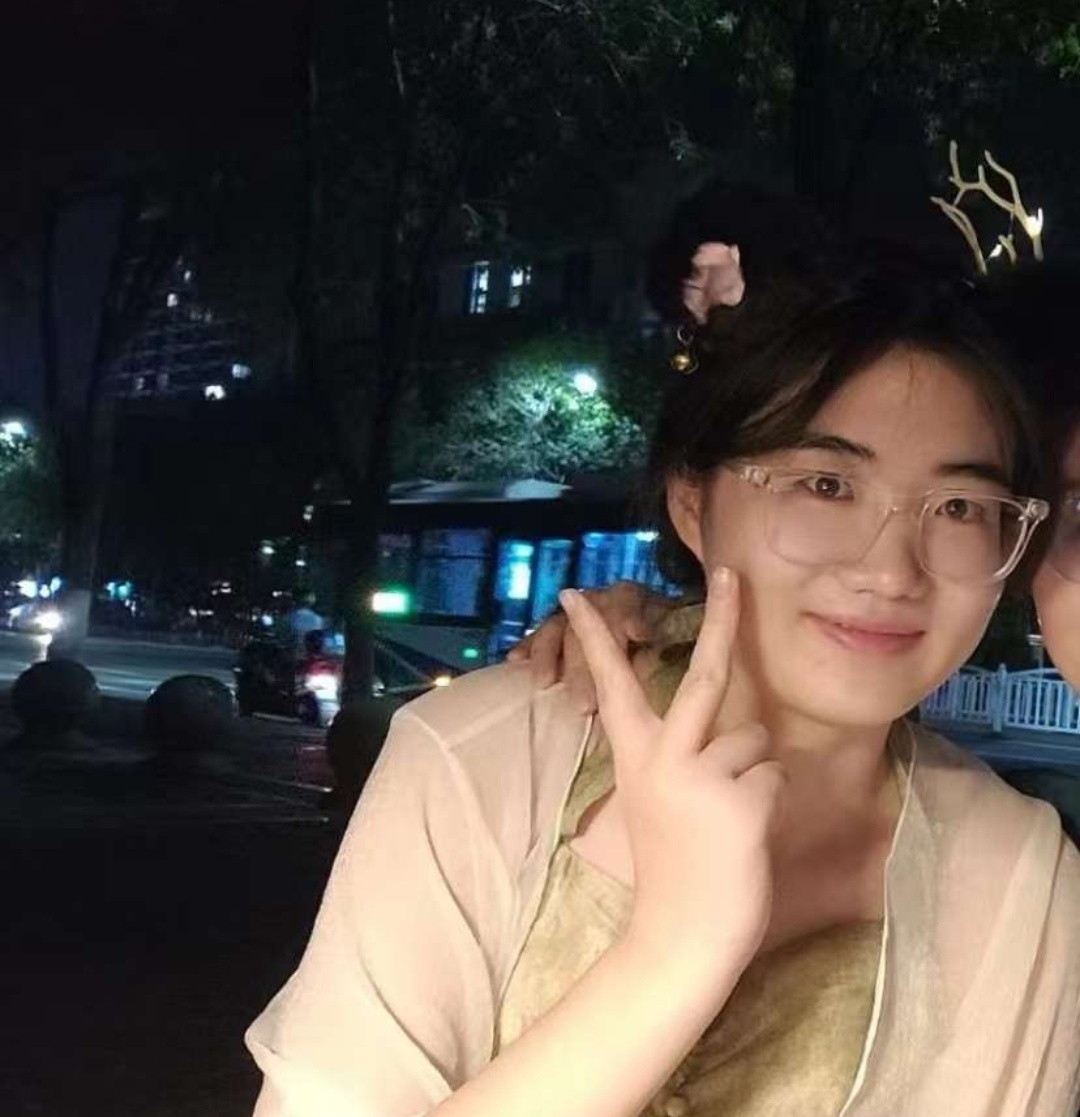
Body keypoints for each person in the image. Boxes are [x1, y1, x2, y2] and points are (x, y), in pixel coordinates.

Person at [244, 198, 1080, 1116]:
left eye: (959, 507)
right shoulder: (492, 757)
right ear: (692, 504)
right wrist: (675, 948)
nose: (890, 570)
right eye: (825, 484)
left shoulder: (1022, 874)